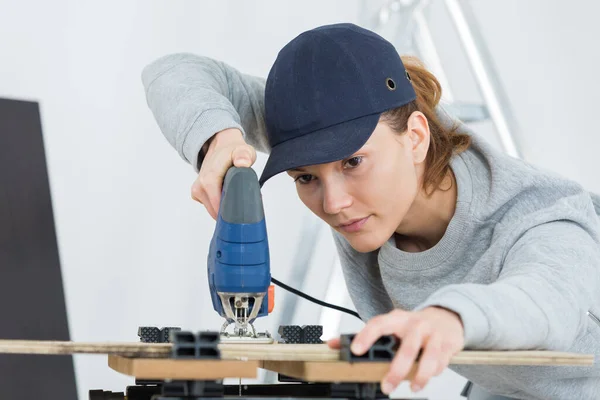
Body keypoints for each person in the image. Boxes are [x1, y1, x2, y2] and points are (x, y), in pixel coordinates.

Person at [141, 23, 600, 399]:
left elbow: (546, 302)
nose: (334, 203)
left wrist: (447, 318)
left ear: (416, 137)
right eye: (305, 177)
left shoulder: (544, 219)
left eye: (353, 163)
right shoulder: (349, 134)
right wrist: (219, 138)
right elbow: (173, 72)